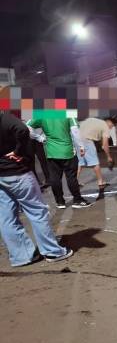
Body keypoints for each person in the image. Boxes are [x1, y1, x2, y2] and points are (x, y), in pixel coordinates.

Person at [0, 111, 73, 267]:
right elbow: (23, 129)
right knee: (37, 212)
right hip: (17, 173)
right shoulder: (4, 117)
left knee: (6, 217)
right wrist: (18, 151)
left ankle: (22, 256)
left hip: (1, 176)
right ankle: (52, 251)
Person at [27, 113, 92, 209]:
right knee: (71, 177)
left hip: (51, 152)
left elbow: (26, 126)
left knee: (55, 177)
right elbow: (75, 131)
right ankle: (77, 200)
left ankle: (60, 202)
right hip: (67, 150)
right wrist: (81, 146)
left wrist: (39, 138)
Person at [73, 117, 115, 199]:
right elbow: (105, 145)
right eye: (112, 125)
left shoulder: (93, 120)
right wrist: (109, 157)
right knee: (95, 163)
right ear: (108, 122)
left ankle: (75, 182)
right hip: (87, 140)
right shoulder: (105, 127)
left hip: (77, 139)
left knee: (80, 163)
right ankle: (101, 183)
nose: (111, 127)